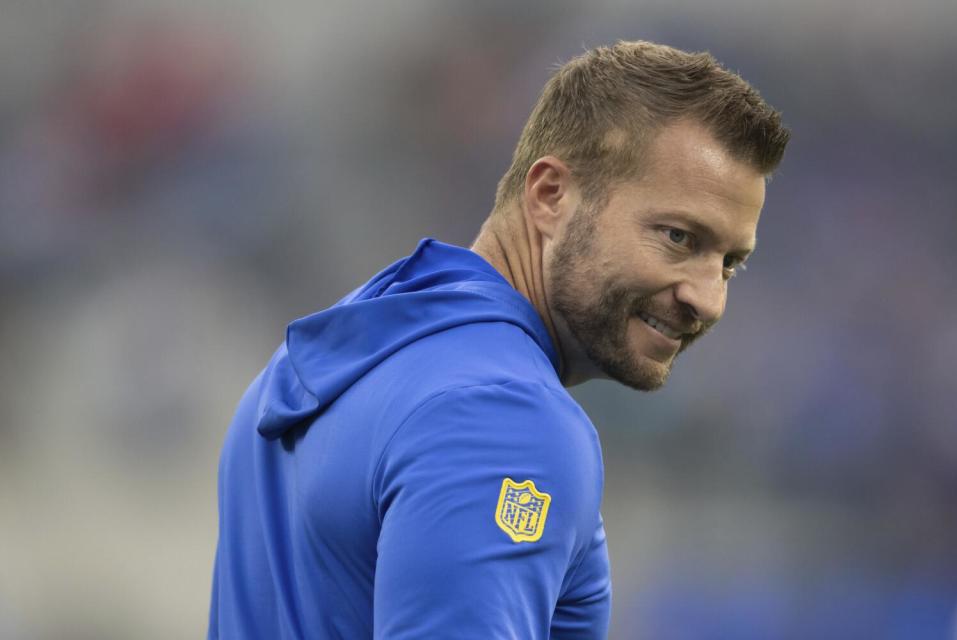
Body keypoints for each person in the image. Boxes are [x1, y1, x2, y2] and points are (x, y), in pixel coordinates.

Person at [208, 40, 789, 639]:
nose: (708, 299)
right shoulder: (504, 416)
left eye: (729, 264)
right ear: (550, 196)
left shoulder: (349, 345)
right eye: (678, 237)